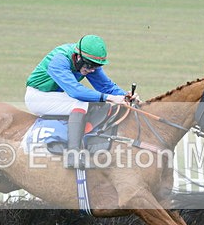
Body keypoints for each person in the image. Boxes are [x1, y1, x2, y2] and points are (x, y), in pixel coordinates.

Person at [25, 35, 130, 169]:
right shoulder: (59, 60)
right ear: (78, 57)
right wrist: (110, 98)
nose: (92, 70)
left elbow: (105, 86)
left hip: (58, 96)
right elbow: (76, 92)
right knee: (80, 103)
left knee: (96, 104)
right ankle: (72, 156)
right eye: (90, 66)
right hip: (38, 96)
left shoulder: (85, 61)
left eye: (96, 66)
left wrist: (125, 95)